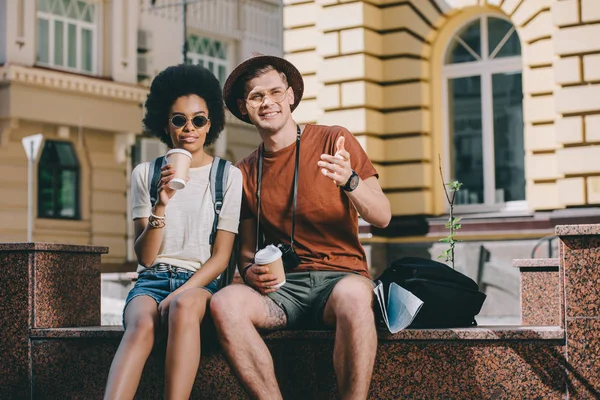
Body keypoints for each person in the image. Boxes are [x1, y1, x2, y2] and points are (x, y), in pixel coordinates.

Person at [210, 54, 391, 400]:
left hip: (340, 279)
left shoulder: (333, 141)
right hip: (283, 291)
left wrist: (350, 181)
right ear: (243, 107)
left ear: (291, 96)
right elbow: (246, 253)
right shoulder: (245, 171)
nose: (268, 103)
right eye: (256, 96)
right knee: (225, 304)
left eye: (276, 92)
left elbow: (382, 216)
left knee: (356, 298)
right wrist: (250, 273)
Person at [104, 64, 242, 400]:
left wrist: (179, 294)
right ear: (166, 123)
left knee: (181, 308)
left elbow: (222, 257)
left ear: (211, 124)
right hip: (152, 280)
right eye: (178, 119)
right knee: (141, 325)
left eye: (199, 119)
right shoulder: (146, 174)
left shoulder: (227, 176)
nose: (189, 129)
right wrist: (161, 205)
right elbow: (146, 256)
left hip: (200, 283)